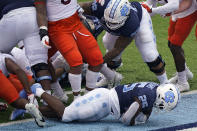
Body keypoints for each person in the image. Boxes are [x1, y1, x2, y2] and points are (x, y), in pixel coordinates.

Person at [34, 0, 122, 99]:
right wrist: (43, 30)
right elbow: (40, 10)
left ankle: (88, 96)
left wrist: (76, 8)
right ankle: (76, 98)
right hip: (58, 28)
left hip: (76, 22)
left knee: (96, 59)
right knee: (75, 63)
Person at [79, 0, 169, 86]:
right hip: (119, 22)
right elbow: (80, 8)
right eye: (109, 21)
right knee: (107, 42)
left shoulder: (132, 24)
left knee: (149, 54)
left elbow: (117, 49)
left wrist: (98, 64)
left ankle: (165, 82)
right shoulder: (100, 5)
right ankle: (110, 76)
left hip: (141, 20)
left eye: (114, 23)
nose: (111, 25)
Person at [30, 81, 180, 126]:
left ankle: (34, 110)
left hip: (105, 106)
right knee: (66, 115)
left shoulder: (153, 88)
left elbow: (144, 107)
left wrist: (145, 114)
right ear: (161, 98)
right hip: (102, 101)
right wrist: (136, 120)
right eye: (162, 105)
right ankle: (38, 90)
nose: (160, 107)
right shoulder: (147, 96)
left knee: (69, 115)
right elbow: (126, 119)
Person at [141, 0, 197, 92]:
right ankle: (184, 73)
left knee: (175, 44)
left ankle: (183, 82)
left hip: (189, 10)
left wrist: (155, 10)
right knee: (171, 43)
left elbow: (182, 4)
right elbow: (150, 4)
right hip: (181, 9)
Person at [0, 0, 53, 96]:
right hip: (32, 16)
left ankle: (8, 90)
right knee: (40, 63)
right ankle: (47, 97)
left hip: (9, 19)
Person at [0, 53, 45, 127]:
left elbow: (28, 77)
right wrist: (29, 94)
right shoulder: (5, 57)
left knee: (21, 90)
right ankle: (28, 105)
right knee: (17, 101)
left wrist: (29, 93)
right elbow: (18, 70)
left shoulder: (19, 56)